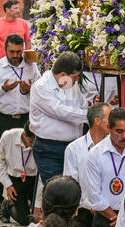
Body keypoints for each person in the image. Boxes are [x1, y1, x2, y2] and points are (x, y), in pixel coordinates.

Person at [0, 33, 38, 207]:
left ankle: (24, 194)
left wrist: (29, 90)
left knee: (27, 154)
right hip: (2, 118)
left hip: (25, 119)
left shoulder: (31, 67)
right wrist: (2, 89)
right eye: (12, 51)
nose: (15, 55)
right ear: (5, 49)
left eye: (18, 52)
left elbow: (41, 91)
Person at [29, 52, 90, 186]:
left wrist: (86, 111)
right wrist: (89, 115)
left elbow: (82, 104)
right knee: (57, 191)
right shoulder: (41, 87)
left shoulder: (71, 85)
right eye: (74, 77)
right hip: (50, 149)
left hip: (74, 146)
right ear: (63, 74)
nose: (76, 81)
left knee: (75, 190)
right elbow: (61, 112)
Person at [63, 103, 110, 227]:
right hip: (84, 212)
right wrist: (92, 205)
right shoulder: (74, 149)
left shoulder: (115, 147)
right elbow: (72, 184)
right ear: (97, 121)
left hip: (109, 212)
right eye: (109, 118)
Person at [0, 125, 38, 226]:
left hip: (34, 179)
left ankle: (26, 203)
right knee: (25, 221)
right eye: (31, 142)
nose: (32, 146)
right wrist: (8, 185)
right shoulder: (8, 137)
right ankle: (7, 205)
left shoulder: (41, 141)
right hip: (16, 179)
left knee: (38, 218)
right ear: (24, 135)